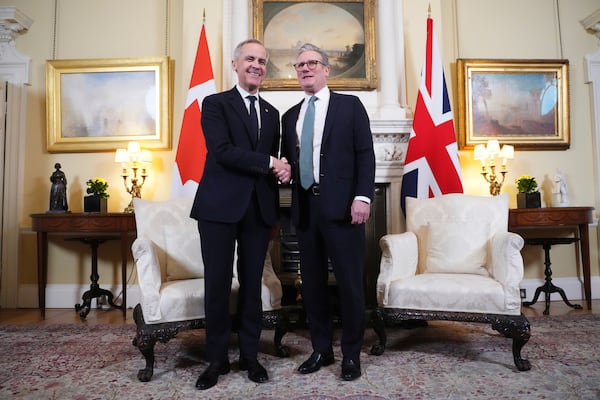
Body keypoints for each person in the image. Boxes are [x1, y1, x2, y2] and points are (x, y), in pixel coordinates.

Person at [190, 39, 290, 390]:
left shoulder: (272, 113)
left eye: (262, 61)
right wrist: (268, 163)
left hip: (259, 211)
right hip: (218, 208)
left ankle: (249, 355)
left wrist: (282, 171)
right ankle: (215, 360)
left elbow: (272, 166)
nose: (257, 65)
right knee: (216, 285)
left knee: (252, 287)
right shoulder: (215, 104)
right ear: (235, 64)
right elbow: (222, 151)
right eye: (250, 58)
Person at [281, 43, 375, 381]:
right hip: (305, 210)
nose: (305, 69)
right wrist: (285, 170)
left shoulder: (350, 106)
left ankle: (351, 354)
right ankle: (321, 350)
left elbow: (365, 154)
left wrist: (363, 197)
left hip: (344, 208)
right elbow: (290, 164)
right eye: (300, 65)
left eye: (312, 63)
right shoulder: (290, 115)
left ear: (326, 69)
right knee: (314, 285)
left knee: (350, 284)